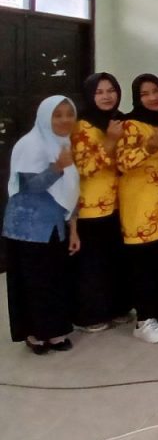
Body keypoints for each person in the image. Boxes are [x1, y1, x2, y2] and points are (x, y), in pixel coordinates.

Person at [4, 96, 79, 353]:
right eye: (57, 115)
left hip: (54, 225)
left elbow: (71, 189)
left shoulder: (62, 143)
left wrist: (73, 228)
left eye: (69, 113)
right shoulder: (30, 144)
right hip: (27, 228)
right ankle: (34, 333)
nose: (65, 119)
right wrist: (57, 167)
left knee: (54, 280)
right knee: (31, 282)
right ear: (45, 117)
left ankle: (55, 330)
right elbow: (30, 186)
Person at [116, 74, 158, 344]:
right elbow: (121, 162)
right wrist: (148, 148)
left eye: (157, 91)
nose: (153, 97)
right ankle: (143, 319)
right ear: (136, 99)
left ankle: (157, 309)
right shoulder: (130, 125)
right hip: (140, 205)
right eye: (145, 93)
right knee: (142, 262)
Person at [69, 72, 128, 331]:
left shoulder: (118, 120)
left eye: (111, 90)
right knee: (92, 265)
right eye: (100, 92)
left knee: (113, 261)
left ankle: (114, 308)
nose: (107, 96)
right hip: (89, 206)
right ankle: (89, 315)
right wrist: (111, 141)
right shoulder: (81, 126)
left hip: (118, 203)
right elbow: (84, 166)